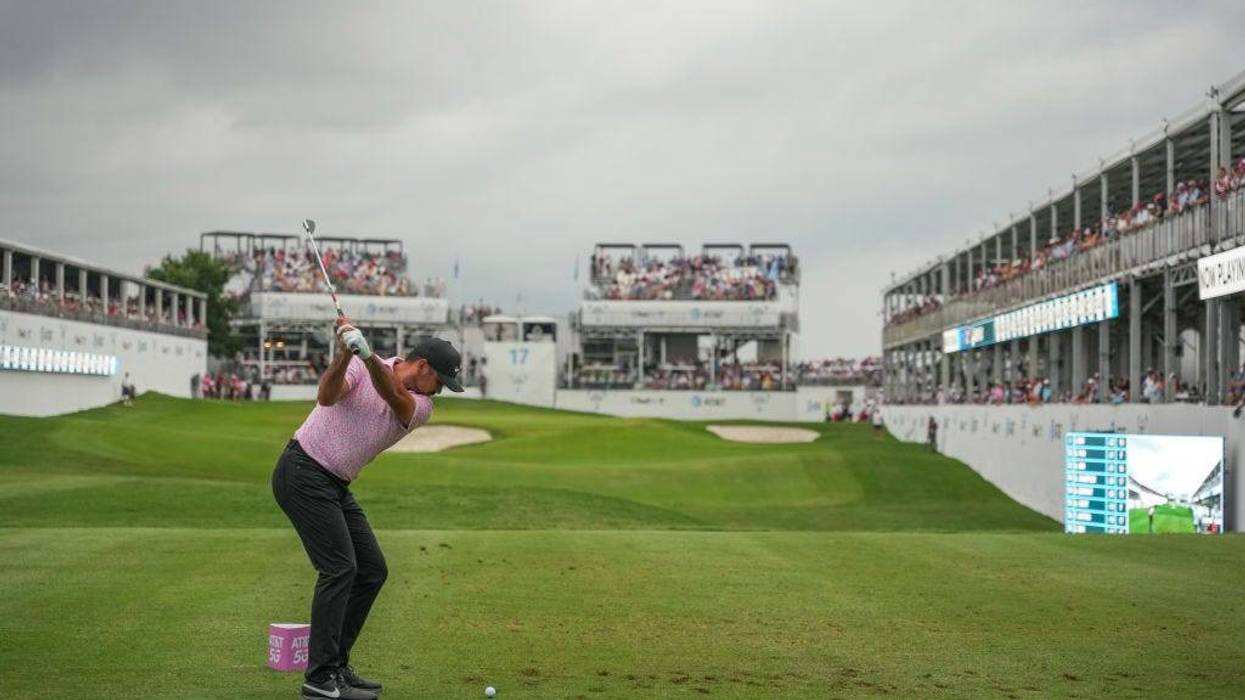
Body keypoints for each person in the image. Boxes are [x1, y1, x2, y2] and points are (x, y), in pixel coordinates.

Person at [272, 318, 464, 700]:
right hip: (302, 470)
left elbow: (394, 397)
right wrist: (345, 355)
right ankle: (320, 678)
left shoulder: (421, 406)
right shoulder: (360, 364)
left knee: (372, 570)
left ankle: (336, 666)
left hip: (335, 483)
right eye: (440, 381)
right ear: (422, 366)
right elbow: (326, 397)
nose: (439, 391)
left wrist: (367, 354)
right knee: (340, 567)